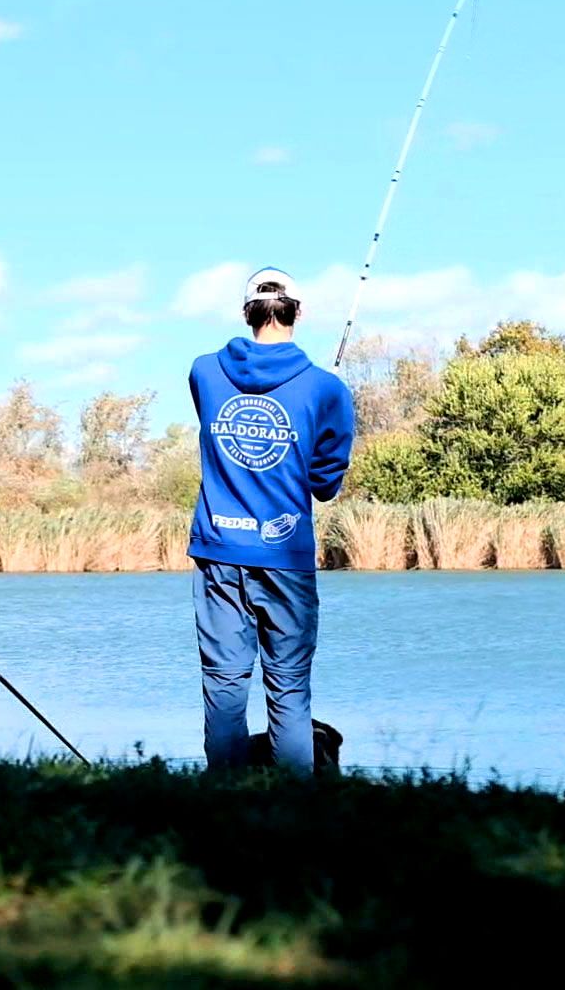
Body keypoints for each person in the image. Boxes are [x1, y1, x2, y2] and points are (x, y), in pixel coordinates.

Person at [186, 268, 355, 776]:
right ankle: (295, 809)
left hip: (218, 550)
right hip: (284, 557)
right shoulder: (326, 388)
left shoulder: (204, 371)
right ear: (297, 312)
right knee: (289, 688)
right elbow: (325, 482)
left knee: (224, 686)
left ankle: (226, 799)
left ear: (246, 313)